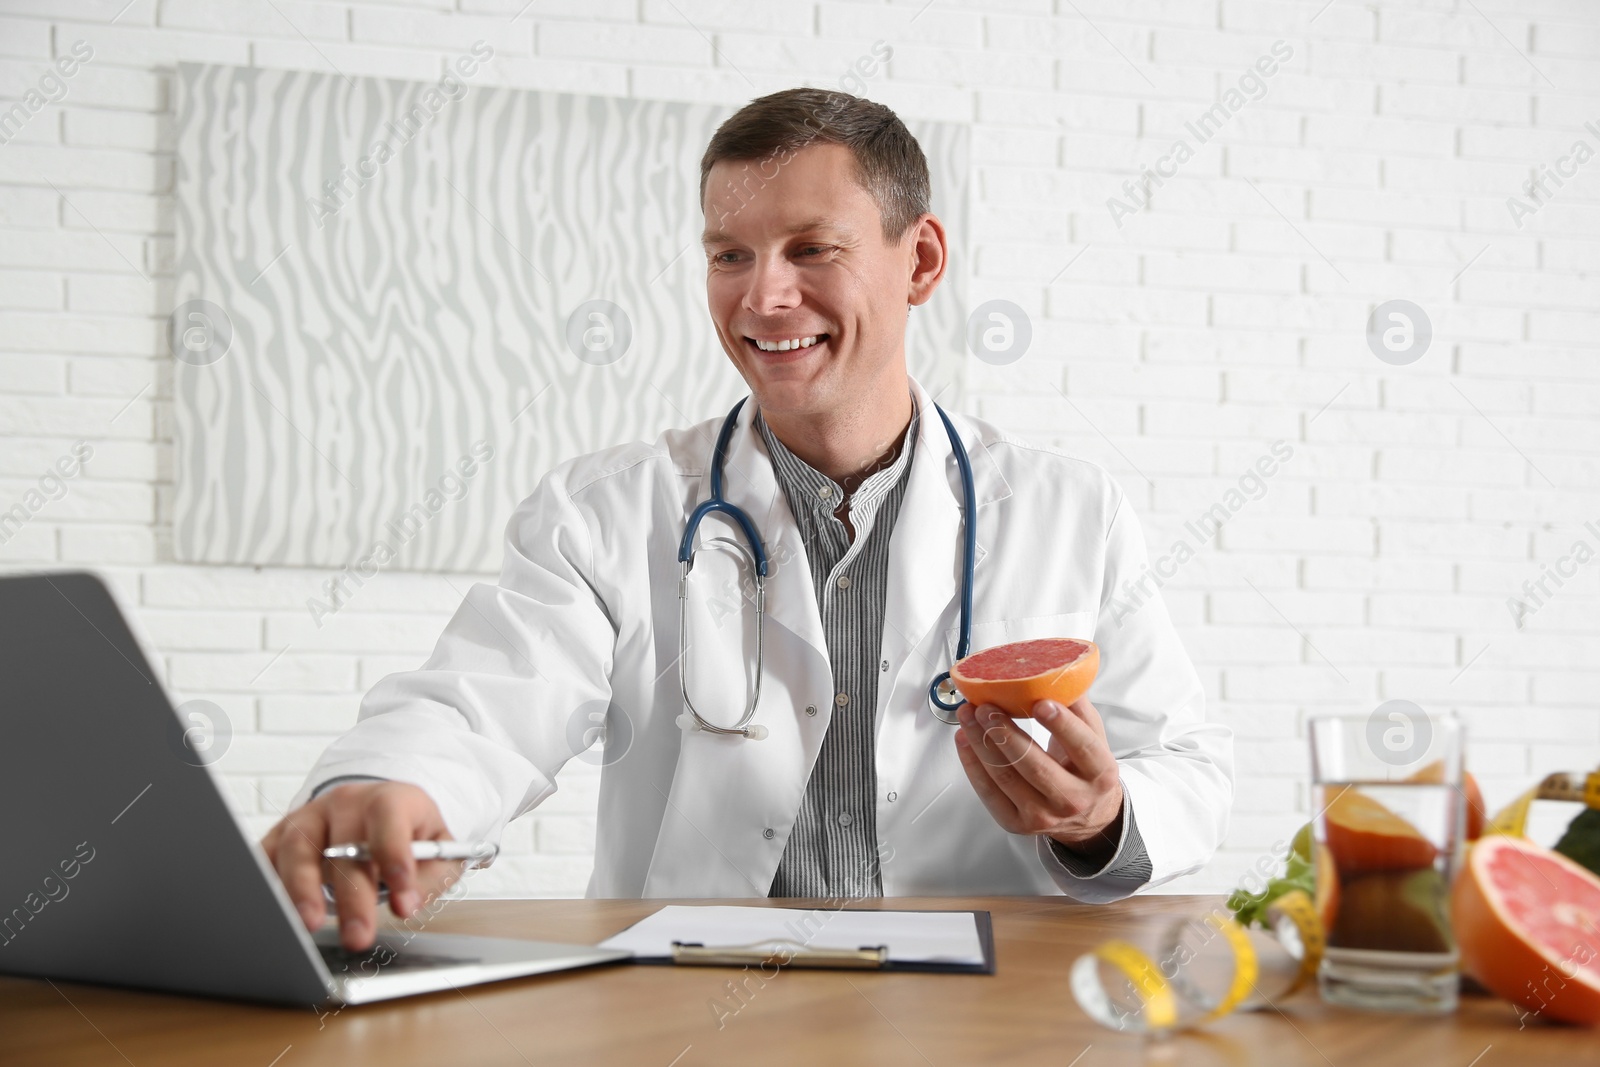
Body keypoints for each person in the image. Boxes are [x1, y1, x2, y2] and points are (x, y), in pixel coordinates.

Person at [264, 88, 1233, 952]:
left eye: (812, 249)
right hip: (689, 1004)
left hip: (984, 1004)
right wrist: (397, 789)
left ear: (921, 259)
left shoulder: (1067, 510)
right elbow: (484, 706)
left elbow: (1182, 764)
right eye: (730, 255)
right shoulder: (609, 509)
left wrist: (1101, 815)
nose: (763, 297)